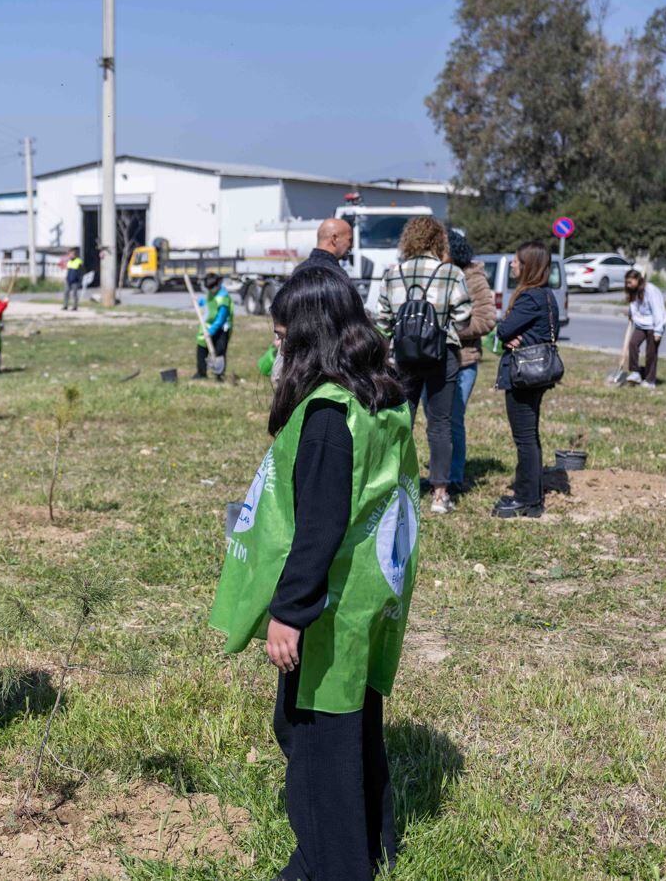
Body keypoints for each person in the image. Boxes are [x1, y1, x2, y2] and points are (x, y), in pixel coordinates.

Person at [209, 265, 416, 881]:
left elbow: (318, 526)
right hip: (370, 592)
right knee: (354, 730)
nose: (276, 345)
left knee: (315, 741)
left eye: (283, 335)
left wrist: (288, 613)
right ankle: (372, 844)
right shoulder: (379, 395)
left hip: (329, 605)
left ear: (310, 335)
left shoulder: (327, 415)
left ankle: (330, 864)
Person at [375, 216, 470, 515]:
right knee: (440, 424)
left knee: (401, 421)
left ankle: (395, 487)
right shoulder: (451, 273)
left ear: (409, 240)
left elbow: (382, 320)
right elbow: (465, 316)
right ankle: (440, 494)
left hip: (403, 357)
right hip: (442, 356)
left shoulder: (393, 274)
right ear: (438, 240)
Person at [493, 241, 560, 519]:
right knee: (530, 435)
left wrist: (508, 332)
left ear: (528, 265)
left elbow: (503, 329)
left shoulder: (529, 297)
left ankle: (527, 500)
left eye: (516, 260)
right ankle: (530, 495)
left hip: (524, 374)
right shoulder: (546, 295)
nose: (512, 264)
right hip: (538, 372)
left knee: (525, 438)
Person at [447, 231, 497, 492]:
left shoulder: (473, 277)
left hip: (463, 360)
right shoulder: (435, 274)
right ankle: (439, 473)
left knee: (454, 418)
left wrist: (449, 330)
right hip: (433, 360)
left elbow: (486, 320)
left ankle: (454, 476)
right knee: (437, 421)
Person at [624, 269, 666, 388]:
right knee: (633, 344)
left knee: (651, 353)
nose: (628, 285)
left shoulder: (651, 291)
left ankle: (650, 380)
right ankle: (635, 372)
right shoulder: (633, 291)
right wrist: (632, 314)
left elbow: (659, 310)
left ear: (637, 280)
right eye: (626, 282)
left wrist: (658, 331)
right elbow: (634, 306)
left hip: (653, 325)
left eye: (630, 282)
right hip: (640, 324)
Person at [192, 278, 232, 381]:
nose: (210, 291)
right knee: (201, 348)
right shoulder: (211, 293)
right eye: (208, 288)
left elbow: (221, 318)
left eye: (212, 288)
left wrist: (211, 332)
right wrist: (198, 301)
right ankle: (201, 373)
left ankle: (219, 375)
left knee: (219, 351)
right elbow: (207, 302)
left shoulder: (223, 298)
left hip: (221, 329)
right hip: (208, 326)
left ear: (218, 284)